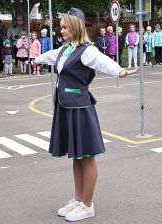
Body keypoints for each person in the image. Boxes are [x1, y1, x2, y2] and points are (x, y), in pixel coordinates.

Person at [35, 8, 139, 222]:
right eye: (61, 27)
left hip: (80, 109)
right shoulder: (65, 49)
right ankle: (78, 199)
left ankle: (88, 204)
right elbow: (51, 56)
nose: (61, 31)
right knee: (76, 156)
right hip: (66, 107)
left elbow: (103, 62)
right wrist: (36, 58)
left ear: (75, 27)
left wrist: (120, 71)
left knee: (87, 156)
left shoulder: (87, 51)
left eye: (65, 27)